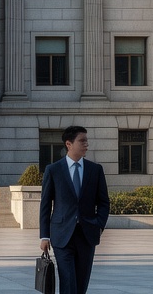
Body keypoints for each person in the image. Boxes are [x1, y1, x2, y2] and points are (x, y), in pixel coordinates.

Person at [39, 126, 110, 294]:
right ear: (69, 144)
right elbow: (45, 205)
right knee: (68, 281)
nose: (87, 144)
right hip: (62, 235)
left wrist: (99, 224)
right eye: (82, 141)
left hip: (87, 234)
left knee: (81, 283)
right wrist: (44, 235)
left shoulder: (95, 170)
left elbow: (104, 202)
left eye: (87, 140)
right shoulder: (53, 170)